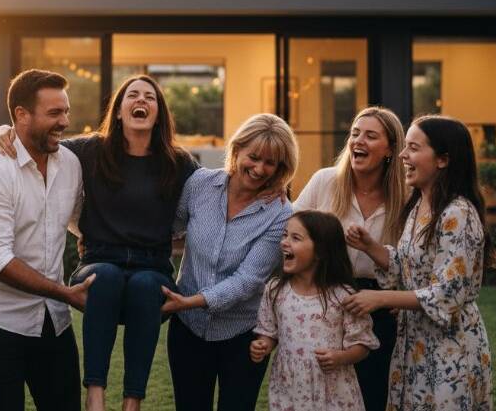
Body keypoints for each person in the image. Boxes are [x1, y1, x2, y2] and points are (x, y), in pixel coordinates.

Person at [0, 75, 197, 411]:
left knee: (145, 285)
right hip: (101, 259)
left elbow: (216, 188)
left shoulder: (179, 162)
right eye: (132, 95)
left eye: (150, 97)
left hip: (152, 266)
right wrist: (6, 131)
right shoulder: (89, 150)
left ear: (159, 113)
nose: (141, 100)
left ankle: (133, 400)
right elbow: (41, 140)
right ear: (118, 110)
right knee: (106, 277)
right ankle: (95, 394)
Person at [344, 115, 496, 411]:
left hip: (450, 348)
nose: (402, 155)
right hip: (413, 344)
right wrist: (370, 246)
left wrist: (381, 297)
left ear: (442, 160)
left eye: (413, 148)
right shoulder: (418, 205)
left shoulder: (458, 213)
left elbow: (447, 293)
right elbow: (408, 266)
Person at [0, 69, 91, 411]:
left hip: (52, 319)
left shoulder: (70, 163)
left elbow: (78, 223)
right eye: (54, 113)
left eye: (66, 111)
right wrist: (64, 292)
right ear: (21, 115)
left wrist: (95, 251)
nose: (64, 121)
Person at [163, 113, 298, 411]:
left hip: (241, 334)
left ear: (281, 167)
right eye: (254, 157)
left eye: (271, 163)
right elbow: (170, 230)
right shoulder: (199, 184)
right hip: (188, 330)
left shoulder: (281, 213)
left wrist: (188, 301)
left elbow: (249, 280)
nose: (259, 168)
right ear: (237, 150)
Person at [293, 106, 405, 411]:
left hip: (379, 308)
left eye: (371, 136)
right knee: (322, 393)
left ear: (390, 149)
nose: (359, 141)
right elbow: (291, 232)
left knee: (373, 393)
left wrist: (398, 296)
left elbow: (414, 258)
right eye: (355, 133)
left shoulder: (406, 196)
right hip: (325, 300)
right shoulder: (325, 181)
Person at [250, 210, 379, 411]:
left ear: (320, 251)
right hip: (289, 389)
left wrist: (341, 358)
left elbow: (363, 343)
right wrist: (263, 345)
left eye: (295, 238)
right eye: (284, 235)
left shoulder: (343, 295)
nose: (284, 242)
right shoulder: (275, 290)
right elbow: (268, 331)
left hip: (333, 392)